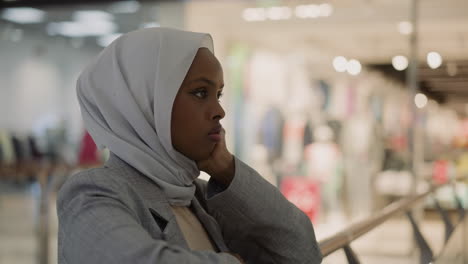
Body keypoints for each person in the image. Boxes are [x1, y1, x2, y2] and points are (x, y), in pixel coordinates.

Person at [57, 27, 322, 264]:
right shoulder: (93, 193)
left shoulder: (197, 197)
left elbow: (301, 252)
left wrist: (227, 170)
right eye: (200, 93)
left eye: (218, 94)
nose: (219, 110)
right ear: (147, 106)